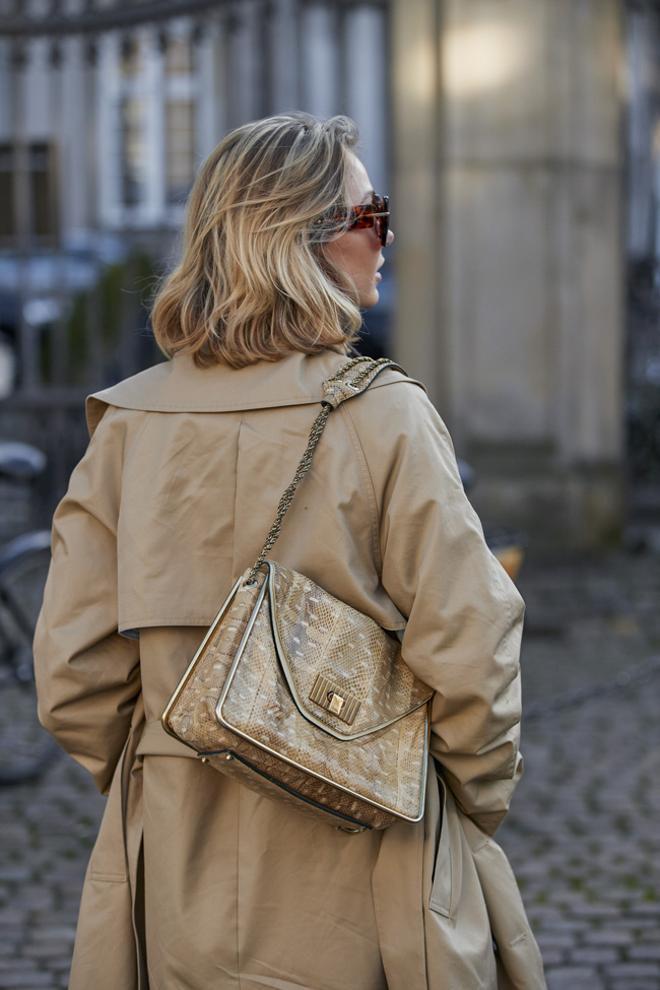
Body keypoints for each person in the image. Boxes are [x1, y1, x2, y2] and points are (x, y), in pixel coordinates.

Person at [33, 113, 546, 990]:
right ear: (295, 240)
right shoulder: (384, 417)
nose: (386, 236)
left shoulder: (127, 426)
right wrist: (463, 800)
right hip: (372, 862)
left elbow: (74, 675)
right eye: (369, 213)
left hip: (176, 882)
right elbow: (472, 649)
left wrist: (169, 778)